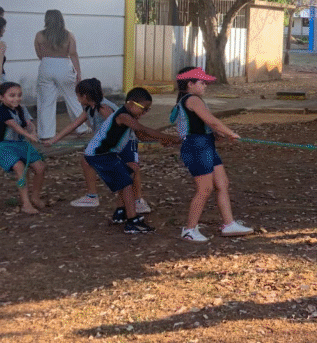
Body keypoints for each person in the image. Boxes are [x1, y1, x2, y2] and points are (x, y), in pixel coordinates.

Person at [43, 78, 152, 212]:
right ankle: (92, 196)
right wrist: (53, 140)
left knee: (132, 168)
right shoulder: (90, 108)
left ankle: (138, 201)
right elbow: (74, 125)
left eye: (78, 96)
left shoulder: (104, 108)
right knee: (87, 161)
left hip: (126, 141)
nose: (77, 99)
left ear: (84, 96)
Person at [173, 66, 254, 242]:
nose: (205, 86)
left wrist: (216, 134)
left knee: (222, 183)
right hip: (196, 147)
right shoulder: (192, 99)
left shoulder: (192, 100)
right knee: (205, 188)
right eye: (202, 82)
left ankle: (229, 224)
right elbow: (211, 120)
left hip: (206, 144)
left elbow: (203, 124)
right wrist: (230, 132)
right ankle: (189, 229)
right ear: (190, 84)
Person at [83, 87, 179, 234]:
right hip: (99, 154)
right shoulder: (123, 116)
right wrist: (171, 138)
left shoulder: (129, 117)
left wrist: (162, 140)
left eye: (147, 110)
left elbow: (141, 136)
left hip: (107, 153)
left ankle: (120, 211)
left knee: (132, 170)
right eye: (143, 108)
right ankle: (132, 220)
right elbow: (144, 130)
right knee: (126, 183)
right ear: (131, 103)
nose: (144, 112)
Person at [34, 9, 85, 140]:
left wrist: (49, 60)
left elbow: (39, 54)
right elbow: (73, 54)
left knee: (46, 101)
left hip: (46, 65)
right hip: (64, 65)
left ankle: (46, 134)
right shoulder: (69, 35)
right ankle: (81, 127)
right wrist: (78, 73)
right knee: (72, 98)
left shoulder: (39, 35)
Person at [0, 81, 47, 214]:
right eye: (12, 95)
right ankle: (26, 204)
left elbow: (29, 123)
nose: (17, 98)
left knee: (40, 167)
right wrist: (29, 135)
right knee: (19, 167)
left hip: (21, 144)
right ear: (1, 97)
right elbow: (14, 126)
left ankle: (35, 197)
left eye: (19, 95)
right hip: (4, 146)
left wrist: (33, 132)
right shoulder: (2, 111)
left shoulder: (22, 109)